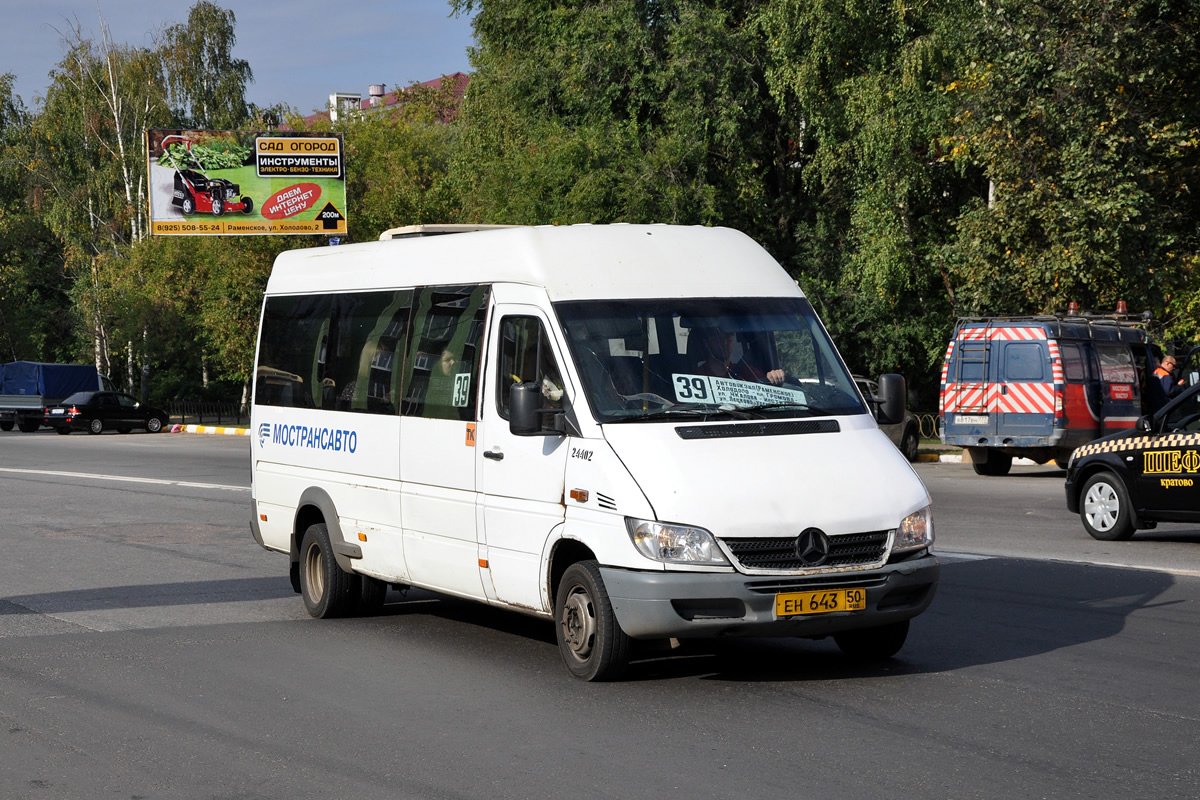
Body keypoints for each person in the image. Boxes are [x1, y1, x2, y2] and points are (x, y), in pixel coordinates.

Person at [696, 328, 785, 385]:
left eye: (729, 337)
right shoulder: (697, 377)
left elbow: (764, 384)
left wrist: (773, 377)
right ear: (707, 343)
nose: (725, 342)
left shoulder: (746, 372)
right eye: (719, 338)